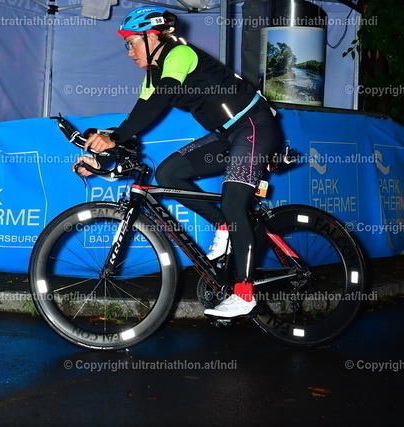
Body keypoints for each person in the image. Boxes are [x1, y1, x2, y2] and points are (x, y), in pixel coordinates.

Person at [74, 6, 282, 318]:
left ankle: (245, 294)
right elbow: (137, 117)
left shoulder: (180, 54)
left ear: (151, 37)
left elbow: (160, 100)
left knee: (234, 203)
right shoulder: (152, 74)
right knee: (170, 173)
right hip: (228, 134)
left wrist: (114, 138)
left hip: (254, 126)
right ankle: (224, 226)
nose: (128, 52)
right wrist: (101, 157)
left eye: (131, 43)